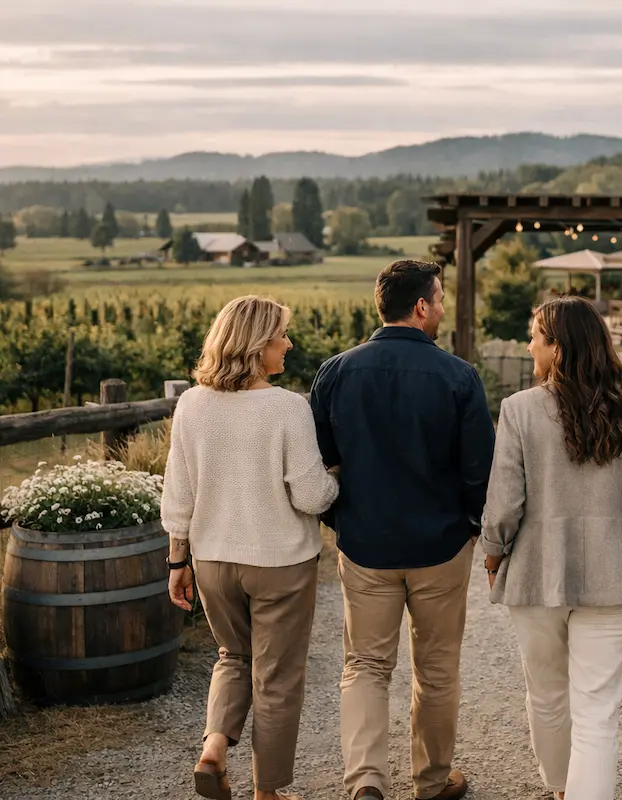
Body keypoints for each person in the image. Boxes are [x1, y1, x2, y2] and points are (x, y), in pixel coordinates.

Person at [309, 260, 495, 800]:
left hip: (366, 545)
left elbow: (319, 463)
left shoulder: (335, 372)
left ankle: (366, 781)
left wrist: (340, 520)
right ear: (420, 307)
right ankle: (432, 782)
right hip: (440, 547)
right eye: (438, 301)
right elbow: (479, 473)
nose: (440, 310)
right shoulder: (460, 377)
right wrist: (475, 531)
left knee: (365, 664)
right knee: (436, 668)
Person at [481, 296, 622, 800]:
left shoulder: (518, 410)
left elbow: (504, 502)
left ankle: (562, 788)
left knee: (545, 695)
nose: (528, 345)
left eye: (535, 337)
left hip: (535, 572)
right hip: (613, 573)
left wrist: (495, 555)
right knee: (598, 709)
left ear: (558, 349)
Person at [162, 295, 340, 800]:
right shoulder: (287, 408)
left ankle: (214, 749)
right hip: (281, 562)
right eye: (282, 334)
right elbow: (310, 496)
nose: (289, 343)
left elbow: (179, 491)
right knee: (278, 677)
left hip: (213, 559)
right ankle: (269, 792)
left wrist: (178, 559)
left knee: (232, 656)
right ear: (259, 344)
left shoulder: (192, 404)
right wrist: (337, 481)